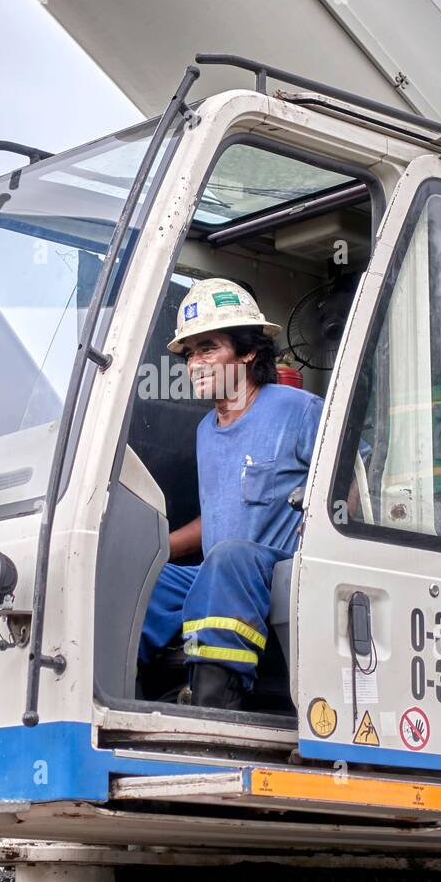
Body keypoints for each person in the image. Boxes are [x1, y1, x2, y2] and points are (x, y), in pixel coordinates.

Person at [138, 278, 324, 710]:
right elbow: (219, 516)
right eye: (189, 354)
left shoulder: (297, 410)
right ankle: (132, 690)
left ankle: (214, 700)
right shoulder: (206, 431)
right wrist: (152, 553)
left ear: (247, 352)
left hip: (277, 573)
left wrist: (313, 543)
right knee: (147, 579)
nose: (194, 364)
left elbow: (349, 490)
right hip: (221, 576)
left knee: (230, 559)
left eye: (208, 349)